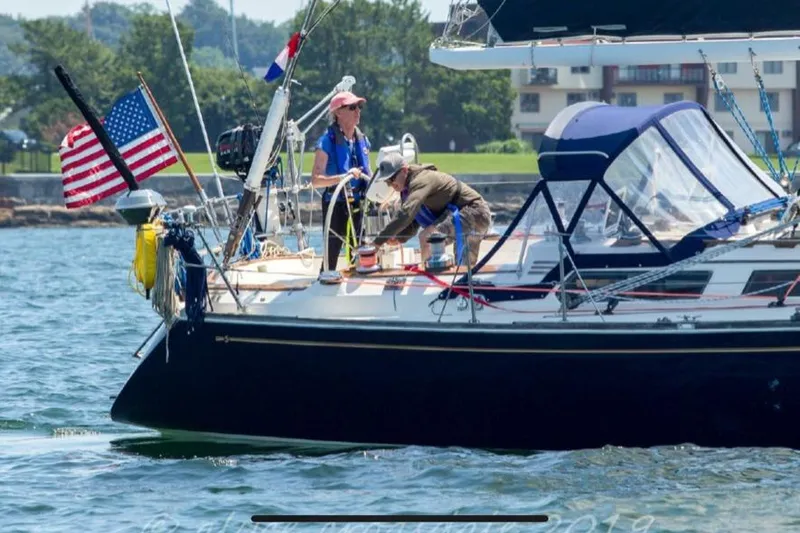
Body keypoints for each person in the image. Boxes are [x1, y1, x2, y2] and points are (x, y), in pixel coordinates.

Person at [371, 152, 492, 268]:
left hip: (475, 211)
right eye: (387, 181)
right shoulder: (407, 189)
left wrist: (378, 242)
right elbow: (413, 222)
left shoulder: (420, 180)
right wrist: (398, 237)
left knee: (427, 238)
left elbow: (406, 214)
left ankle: (428, 277)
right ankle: (450, 278)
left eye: (392, 178)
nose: (390, 184)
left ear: (404, 170)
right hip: (461, 213)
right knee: (462, 267)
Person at [311, 91, 372, 271]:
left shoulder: (362, 140)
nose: (357, 111)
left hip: (358, 202)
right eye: (352, 107)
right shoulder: (326, 142)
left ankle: (359, 277)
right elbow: (316, 180)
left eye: (359, 107)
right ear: (338, 112)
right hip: (335, 203)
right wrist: (344, 177)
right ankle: (325, 278)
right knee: (332, 251)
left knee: (362, 250)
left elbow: (368, 171)